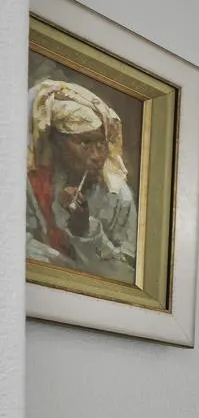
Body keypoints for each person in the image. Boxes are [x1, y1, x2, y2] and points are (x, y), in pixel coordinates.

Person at [25, 76, 138, 282]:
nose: (97, 156)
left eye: (101, 144)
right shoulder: (32, 184)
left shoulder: (120, 198)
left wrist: (85, 230)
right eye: (85, 143)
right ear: (57, 142)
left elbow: (126, 276)